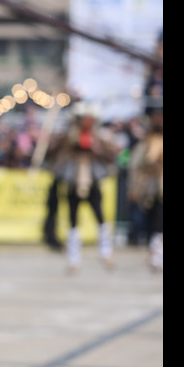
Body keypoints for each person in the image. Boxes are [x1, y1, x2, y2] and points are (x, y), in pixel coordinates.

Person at [53, 101, 120, 273]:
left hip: (92, 180)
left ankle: (106, 253)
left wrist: (98, 149)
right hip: (73, 180)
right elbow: (56, 154)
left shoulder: (99, 138)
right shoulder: (68, 137)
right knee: (73, 220)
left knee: (100, 217)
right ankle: (73, 259)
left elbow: (110, 157)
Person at [127, 98, 162, 272]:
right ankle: (155, 253)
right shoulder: (147, 142)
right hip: (152, 186)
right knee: (153, 217)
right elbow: (137, 164)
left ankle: (157, 254)